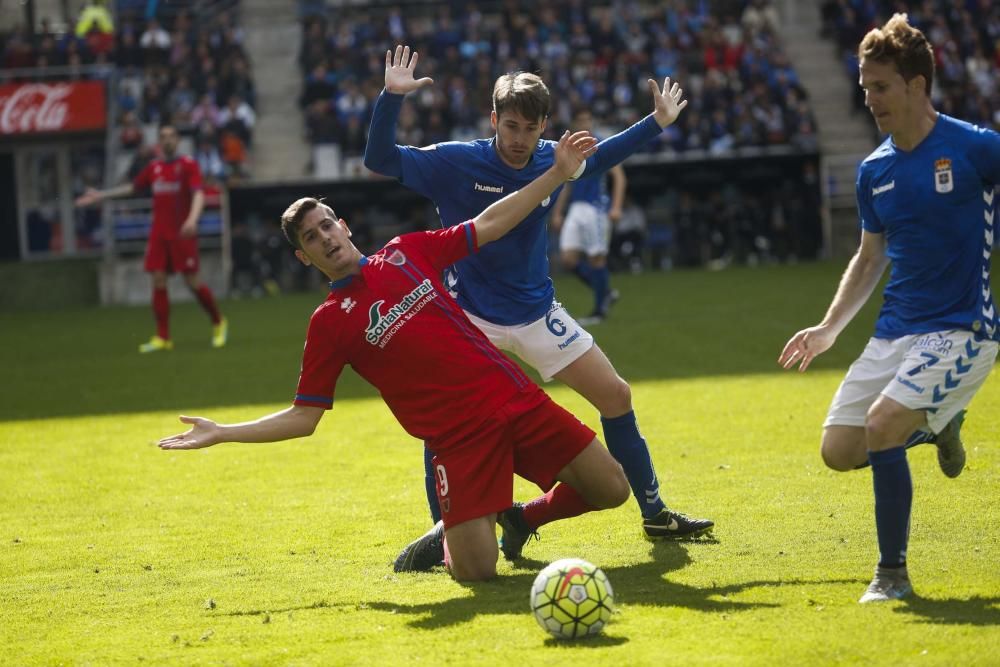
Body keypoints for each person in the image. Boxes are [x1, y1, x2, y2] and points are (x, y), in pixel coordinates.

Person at [158, 131, 633, 582]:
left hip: (514, 400)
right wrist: (222, 433)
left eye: (326, 225)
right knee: (477, 572)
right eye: (310, 237)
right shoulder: (328, 323)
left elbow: (488, 224)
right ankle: (454, 533)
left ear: (343, 227)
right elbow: (304, 417)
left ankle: (520, 517)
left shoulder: (407, 251)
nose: (324, 237)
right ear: (304, 257)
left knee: (612, 488)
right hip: (459, 439)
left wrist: (555, 174)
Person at [364, 46, 713, 554]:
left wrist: (656, 122)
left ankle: (652, 515)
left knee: (616, 396)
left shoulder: (554, 158)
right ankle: (445, 537)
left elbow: (605, 155)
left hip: (536, 312)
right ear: (494, 120)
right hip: (469, 318)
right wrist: (391, 98)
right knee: (445, 424)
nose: (519, 140)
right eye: (510, 127)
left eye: (530, 129)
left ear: (544, 125)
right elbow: (378, 159)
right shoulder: (455, 161)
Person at [778, 14, 999, 604]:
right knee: (839, 450)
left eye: (880, 86)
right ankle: (936, 426)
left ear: (916, 85)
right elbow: (869, 256)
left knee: (880, 426)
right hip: (896, 330)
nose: (869, 98)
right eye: (864, 87)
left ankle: (892, 575)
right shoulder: (874, 170)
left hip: (963, 330)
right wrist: (829, 329)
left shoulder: (974, 148)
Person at [76, 124, 228, 352]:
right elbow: (132, 188)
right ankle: (163, 337)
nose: (167, 140)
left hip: (182, 233)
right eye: (163, 137)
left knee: (192, 282)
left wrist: (192, 220)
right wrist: (101, 195)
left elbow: (198, 194)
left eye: (171, 136)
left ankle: (218, 321)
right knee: (157, 280)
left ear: (177, 140)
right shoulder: (154, 167)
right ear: (159, 142)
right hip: (159, 233)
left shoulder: (187, 165)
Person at [551, 107, 626, 325]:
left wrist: (617, 206)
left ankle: (599, 310)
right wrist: (558, 212)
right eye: (581, 120)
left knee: (596, 258)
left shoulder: (601, 143)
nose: (585, 124)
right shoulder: (570, 147)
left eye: (588, 119)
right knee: (568, 258)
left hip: (597, 208)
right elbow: (566, 183)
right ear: (574, 124)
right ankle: (605, 292)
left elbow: (619, 176)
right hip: (576, 207)